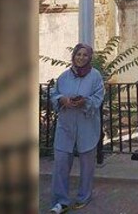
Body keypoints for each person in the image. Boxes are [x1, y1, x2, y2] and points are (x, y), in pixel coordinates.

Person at [49, 43, 105, 213]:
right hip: (65, 126)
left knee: (87, 165)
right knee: (60, 163)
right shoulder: (64, 77)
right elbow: (54, 94)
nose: (81, 58)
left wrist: (85, 102)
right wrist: (62, 100)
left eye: (85, 55)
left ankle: (84, 197)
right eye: (78, 54)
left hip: (87, 126)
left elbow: (98, 97)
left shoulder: (95, 77)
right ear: (73, 56)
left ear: (89, 58)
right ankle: (61, 201)